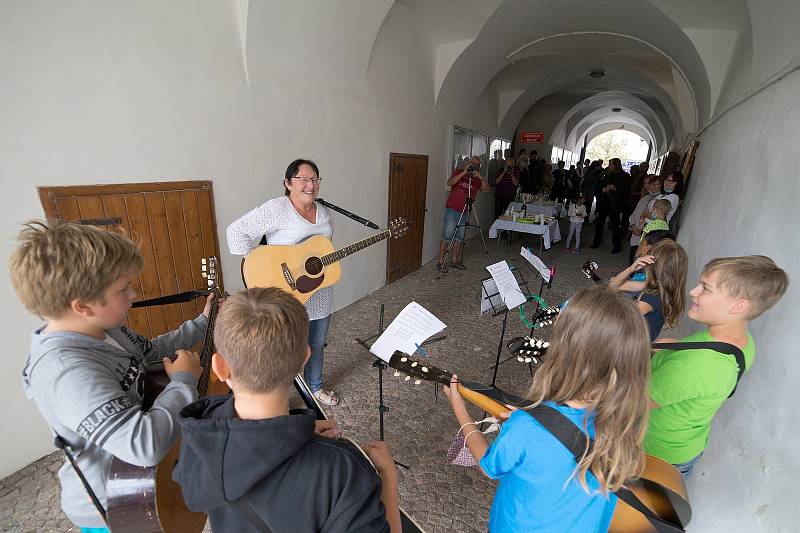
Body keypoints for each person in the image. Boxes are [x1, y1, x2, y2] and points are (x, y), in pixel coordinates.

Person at [10, 220, 211, 532]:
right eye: (123, 288)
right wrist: (183, 382)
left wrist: (202, 322)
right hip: (117, 504)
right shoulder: (66, 371)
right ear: (83, 306)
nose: (132, 295)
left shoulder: (106, 329)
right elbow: (143, 445)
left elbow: (152, 350)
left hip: (148, 479)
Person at [174, 287, 401, 532]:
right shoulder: (342, 470)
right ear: (305, 358)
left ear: (220, 368)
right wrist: (387, 475)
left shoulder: (199, 437)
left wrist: (297, 435)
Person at [443, 285, 651, 532]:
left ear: (565, 353)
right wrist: (540, 419)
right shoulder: (624, 420)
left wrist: (460, 409)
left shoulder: (526, 427)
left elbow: (489, 467)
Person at [646, 256, 789, 478]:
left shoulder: (697, 366)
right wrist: (665, 345)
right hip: (687, 443)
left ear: (738, 305)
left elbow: (633, 402)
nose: (693, 291)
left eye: (705, 288)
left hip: (656, 454)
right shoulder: (740, 341)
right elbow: (694, 351)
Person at [226, 158, 339, 406]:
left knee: (317, 343)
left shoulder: (326, 213)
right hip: (287, 294)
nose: (310, 185)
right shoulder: (277, 208)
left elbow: (321, 249)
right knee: (284, 349)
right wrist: (258, 264)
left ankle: (315, 387)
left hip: (319, 290)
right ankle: (279, 398)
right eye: (303, 179)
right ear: (288, 183)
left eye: (314, 179)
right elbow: (235, 231)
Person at [609, 240, 688, 341]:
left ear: (654, 266)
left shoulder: (651, 298)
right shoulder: (659, 287)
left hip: (631, 345)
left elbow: (619, 320)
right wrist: (631, 269)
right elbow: (613, 286)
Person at [436, 155, 490, 272]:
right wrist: (464, 172)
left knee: (460, 238)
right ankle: (440, 261)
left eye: (477, 165)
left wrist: (482, 179)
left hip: (465, 211)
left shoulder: (477, 178)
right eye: (473, 163)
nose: (474, 166)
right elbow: (450, 182)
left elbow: (486, 190)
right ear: (468, 162)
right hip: (453, 209)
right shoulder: (459, 171)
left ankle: (455, 261)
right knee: (447, 236)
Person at [590, 158, 631, 253]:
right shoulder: (607, 175)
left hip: (615, 205)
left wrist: (615, 188)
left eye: (610, 165)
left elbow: (626, 190)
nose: (609, 166)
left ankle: (616, 246)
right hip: (604, 203)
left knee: (615, 226)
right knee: (599, 224)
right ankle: (596, 242)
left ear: (616, 165)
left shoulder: (625, 176)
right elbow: (600, 188)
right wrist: (603, 189)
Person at [628, 175, 663, 264]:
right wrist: (632, 226)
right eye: (651, 184)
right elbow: (634, 214)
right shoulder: (645, 197)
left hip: (645, 235)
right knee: (632, 259)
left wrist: (640, 228)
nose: (651, 186)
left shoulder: (661, 200)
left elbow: (654, 219)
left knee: (640, 261)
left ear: (661, 185)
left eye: (656, 184)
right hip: (635, 232)